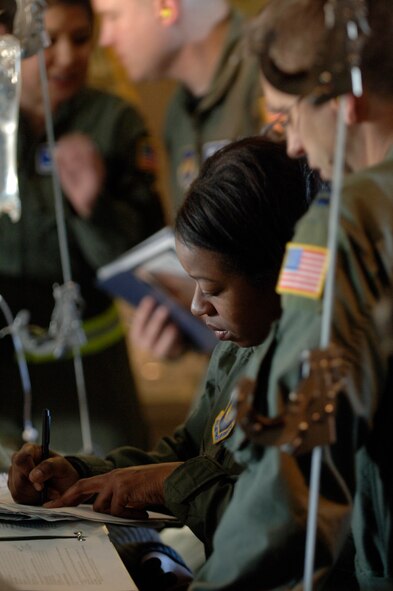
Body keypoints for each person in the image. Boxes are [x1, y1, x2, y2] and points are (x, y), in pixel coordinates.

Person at [7, 136, 313, 585]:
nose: (196, 307)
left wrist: (166, 483)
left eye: (212, 290)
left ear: (278, 274)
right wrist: (81, 474)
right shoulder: (238, 347)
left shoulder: (311, 371)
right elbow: (189, 450)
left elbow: (277, 522)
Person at [188, 0, 393, 589]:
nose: (296, 147)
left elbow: (297, 457)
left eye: (289, 116)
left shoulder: (347, 226)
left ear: (346, 98)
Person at [0, 0, 165, 456]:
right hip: (3, 370)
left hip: (91, 372)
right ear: (14, 40)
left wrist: (95, 208)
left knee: (109, 499)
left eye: (81, 37)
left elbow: (151, 270)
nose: (68, 56)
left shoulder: (114, 124)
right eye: (49, 39)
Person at [90, 0, 267, 359]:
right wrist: (186, 329)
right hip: (231, 376)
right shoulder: (177, 117)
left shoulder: (268, 77)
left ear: (166, 8)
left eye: (113, 17)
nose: (105, 38)